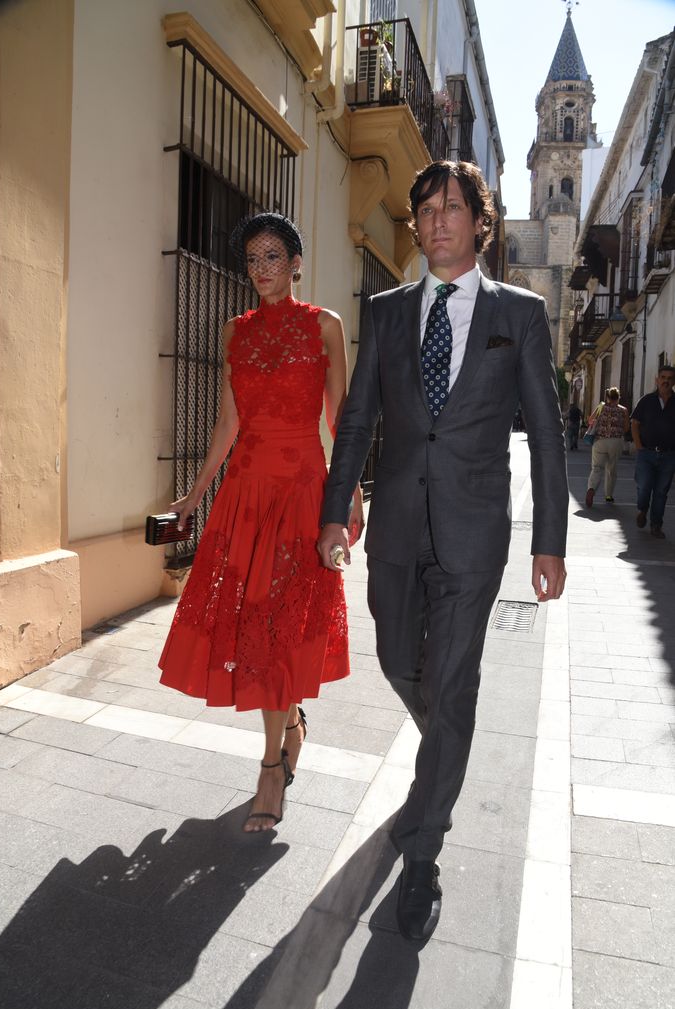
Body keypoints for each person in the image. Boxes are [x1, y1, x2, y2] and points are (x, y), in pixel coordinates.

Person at [317, 160, 568, 943]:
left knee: (453, 687)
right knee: (397, 661)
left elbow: (547, 437)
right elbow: (357, 422)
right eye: (425, 210)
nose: (435, 222)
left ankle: (421, 854)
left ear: (479, 222)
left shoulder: (519, 314)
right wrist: (335, 513)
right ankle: (444, 749)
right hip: (392, 526)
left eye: (451, 208)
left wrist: (550, 541)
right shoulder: (387, 311)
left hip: (472, 535)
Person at [159, 213, 363, 832]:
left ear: (297, 263)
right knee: (255, 623)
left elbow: (341, 418)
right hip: (245, 494)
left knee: (283, 621)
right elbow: (227, 424)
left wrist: (348, 495)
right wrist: (193, 498)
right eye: (253, 258)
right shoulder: (235, 333)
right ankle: (290, 727)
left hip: (301, 491)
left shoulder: (325, 326)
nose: (262, 268)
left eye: (273, 255)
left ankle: (271, 768)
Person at [630, 365, 675, 539]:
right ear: (657, 380)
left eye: (670, 378)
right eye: (663, 377)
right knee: (644, 487)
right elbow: (635, 423)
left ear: (673, 381)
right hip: (646, 454)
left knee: (661, 492)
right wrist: (639, 447)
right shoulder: (646, 400)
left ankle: (656, 525)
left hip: (669, 455)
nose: (666, 381)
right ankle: (642, 508)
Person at [584, 387, 629, 507]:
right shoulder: (623, 410)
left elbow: (590, 420)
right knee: (611, 469)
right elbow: (626, 428)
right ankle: (608, 496)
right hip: (616, 442)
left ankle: (591, 489)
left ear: (607, 397)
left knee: (596, 468)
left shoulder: (601, 407)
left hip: (600, 441)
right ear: (618, 397)